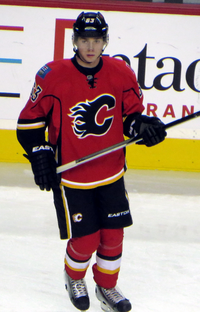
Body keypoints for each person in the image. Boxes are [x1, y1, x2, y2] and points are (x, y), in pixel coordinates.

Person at [17, 11, 166, 312]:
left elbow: (130, 119)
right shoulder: (52, 76)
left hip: (110, 171)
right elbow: (28, 125)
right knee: (85, 242)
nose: (90, 47)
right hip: (72, 177)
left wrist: (143, 128)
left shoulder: (121, 72)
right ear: (74, 40)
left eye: (96, 40)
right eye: (84, 39)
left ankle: (107, 288)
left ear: (105, 42)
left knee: (113, 237)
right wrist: (40, 152)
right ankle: (74, 277)